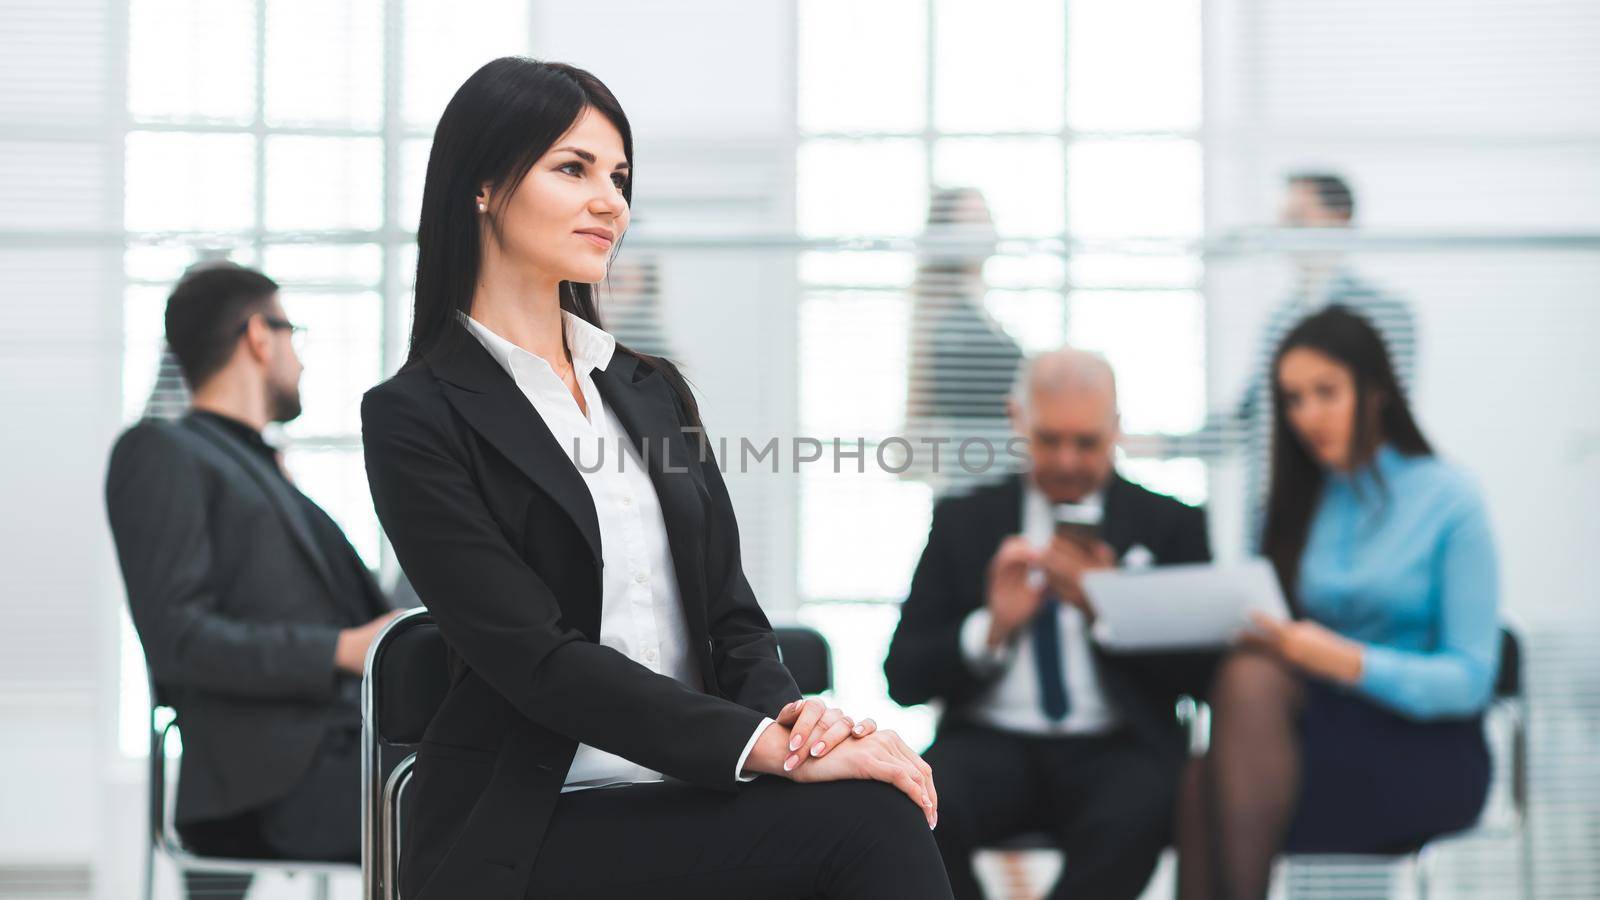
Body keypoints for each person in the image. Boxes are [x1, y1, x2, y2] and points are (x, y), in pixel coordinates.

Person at [359, 58, 952, 900]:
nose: (611, 201)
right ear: (484, 185)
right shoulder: (415, 415)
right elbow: (539, 661)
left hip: (694, 799)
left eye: (620, 177)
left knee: (875, 803)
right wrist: (765, 749)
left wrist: (800, 728)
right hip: (534, 825)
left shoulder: (648, 391)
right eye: (574, 168)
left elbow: (732, 620)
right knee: (867, 826)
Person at [1174, 306, 1501, 900]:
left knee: (1217, 769)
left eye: (1326, 393)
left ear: (1375, 391)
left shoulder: (1451, 501)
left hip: (1427, 748)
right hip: (1315, 736)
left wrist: (1342, 660)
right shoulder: (1298, 502)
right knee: (1206, 766)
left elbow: (1471, 679)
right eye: (1293, 399)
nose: (1307, 415)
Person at [105, 263, 404, 900]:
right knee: (501, 809)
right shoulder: (163, 452)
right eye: (291, 334)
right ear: (259, 337)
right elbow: (177, 639)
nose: (301, 359)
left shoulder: (257, 465)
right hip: (279, 780)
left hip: (343, 753)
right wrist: (340, 650)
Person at [884, 348, 1215, 900]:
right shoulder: (965, 520)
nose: (1066, 461)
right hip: (988, 744)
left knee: (1140, 809)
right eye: (1048, 439)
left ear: (1116, 430)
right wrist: (990, 629)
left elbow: (1204, 679)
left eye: (1085, 442)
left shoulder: (1172, 525)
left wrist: (1115, 609)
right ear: (1018, 421)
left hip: (1118, 748)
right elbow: (903, 677)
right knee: (910, 805)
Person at [1232, 172, 1417, 547]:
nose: (1284, 230)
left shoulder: (1386, 315)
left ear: (1339, 221)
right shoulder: (1278, 321)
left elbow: (1388, 419)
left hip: (1359, 510)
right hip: (1280, 509)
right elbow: (1247, 415)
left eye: (1297, 218)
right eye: (1282, 219)